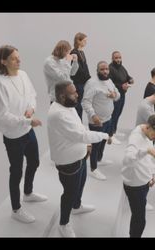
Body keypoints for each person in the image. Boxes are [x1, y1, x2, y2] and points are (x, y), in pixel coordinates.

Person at [0, 45, 47, 224]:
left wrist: (31, 108)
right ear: (3, 61)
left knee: (34, 161)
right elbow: (2, 115)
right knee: (16, 172)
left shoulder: (23, 74)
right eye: (14, 58)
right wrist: (27, 121)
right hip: (13, 136)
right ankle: (16, 209)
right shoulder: (0, 84)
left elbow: (32, 94)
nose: (19, 60)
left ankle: (28, 193)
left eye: (18, 57)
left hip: (27, 131)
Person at [47, 81, 110, 237]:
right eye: (73, 92)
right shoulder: (58, 113)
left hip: (80, 156)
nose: (77, 94)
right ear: (62, 96)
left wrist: (87, 144)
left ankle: (77, 206)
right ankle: (63, 224)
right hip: (68, 162)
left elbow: (80, 127)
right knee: (69, 192)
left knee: (80, 183)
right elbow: (80, 135)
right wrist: (104, 135)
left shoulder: (68, 106)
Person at [121, 115, 155, 237]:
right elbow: (128, 160)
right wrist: (147, 151)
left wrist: (151, 174)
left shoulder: (147, 133)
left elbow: (146, 159)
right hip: (135, 186)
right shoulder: (135, 138)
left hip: (143, 182)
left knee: (138, 216)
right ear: (148, 127)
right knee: (139, 220)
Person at [82, 61, 120, 181]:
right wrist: (93, 116)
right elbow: (85, 102)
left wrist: (115, 95)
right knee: (95, 145)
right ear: (97, 70)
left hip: (108, 118)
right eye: (102, 69)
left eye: (106, 69)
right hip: (97, 121)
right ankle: (93, 169)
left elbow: (118, 95)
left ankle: (99, 159)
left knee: (104, 140)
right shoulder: (92, 83)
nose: (105, 71)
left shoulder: (109, 81)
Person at [109, 51, 134, 144]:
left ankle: (113, 133)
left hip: (122, 95)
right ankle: (109, 135)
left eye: (119, 57)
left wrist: (130, 79)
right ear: (112, 59)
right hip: (115, 95)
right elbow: (109, 83)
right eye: (116, 58)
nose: (118, 59)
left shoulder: (122, 67)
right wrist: (121, 86)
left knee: (118, 113)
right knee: (113, 114)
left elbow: (127, 76)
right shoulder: (110, 68)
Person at [43, 40, 78, 104]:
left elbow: (72, 73)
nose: (69, 54)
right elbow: (62, 78)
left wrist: (75, 62)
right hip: (57, 98)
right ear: (63, 51)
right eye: (68, 52)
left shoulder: (62, 60)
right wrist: (68, 61)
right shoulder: (49, 62)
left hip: (68, 96)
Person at [70, 32, 91, 120]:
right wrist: (87, 78)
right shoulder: (74, 52)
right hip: (77, 83)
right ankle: (78, 122)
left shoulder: (81, 52)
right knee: (77, 104)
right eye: (84, 40)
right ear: (79, 41)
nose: (86, 42)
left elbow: (85, 67)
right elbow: (77, 70)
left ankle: (80, 122)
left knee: (81, 104)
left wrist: (89, 78)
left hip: (83, 82)